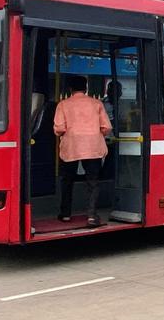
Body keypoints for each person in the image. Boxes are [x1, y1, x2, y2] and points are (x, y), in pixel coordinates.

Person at [54, 76, 113, 227]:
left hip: (71, 147)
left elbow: (59, 129)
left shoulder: (63, 105)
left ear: (70, 89)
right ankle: (92, 216)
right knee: (92, 182)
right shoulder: (96, 103)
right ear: (86, 88)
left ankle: (65, 214)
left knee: (67, 181)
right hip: (93, 147)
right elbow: (107, 127)